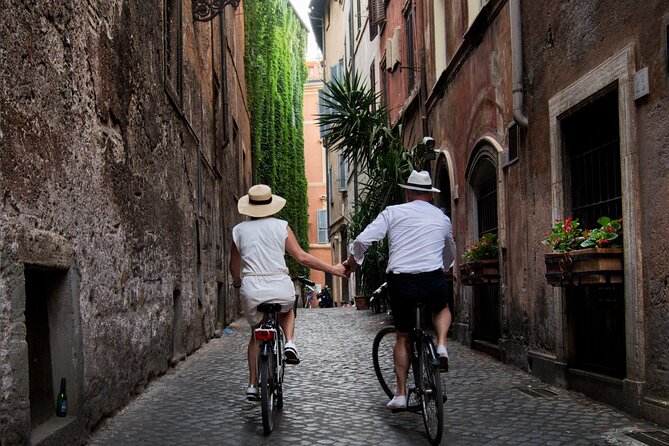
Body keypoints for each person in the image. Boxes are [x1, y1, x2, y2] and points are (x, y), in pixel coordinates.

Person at [344, 170, 456, 411]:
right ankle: (442, 345)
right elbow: (450, 249)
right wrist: (445, 267)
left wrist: (353, 263)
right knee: (441, 307)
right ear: (430, 195)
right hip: (432, 278)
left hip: (402, 281)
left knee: (403, 336)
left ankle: (402, 394)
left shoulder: (393, 212)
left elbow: (363, 240)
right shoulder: (441, 218)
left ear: (407, 192)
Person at [229, 184, 348, 400]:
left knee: (256, 333)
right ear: (271, 206)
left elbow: (234, 267)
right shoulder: (281, 226)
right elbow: (302, 257)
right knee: (287, 309)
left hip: (252, 289)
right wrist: (332, 269)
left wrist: (237, 282)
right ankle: (290, 342)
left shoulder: (238, 231)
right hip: (279, 285)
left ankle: (252, 384)